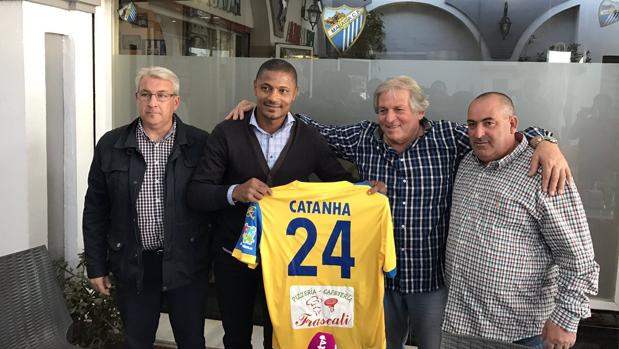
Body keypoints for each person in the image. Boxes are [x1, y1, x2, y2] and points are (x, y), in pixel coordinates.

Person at [227, 75, 571, 349]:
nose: (389, 119)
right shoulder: (364, 138)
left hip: (431, 281)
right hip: (378, 280)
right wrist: (264, 109)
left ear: (419, 112)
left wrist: (545, 142)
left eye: (398, 110)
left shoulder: (451, 138)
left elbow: (501, 135)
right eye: (382, 110)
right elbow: (315, 130)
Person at [186, 59, 382, 349]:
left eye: (282, 90)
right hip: (233, 254)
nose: (273, 97)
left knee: (280, 336)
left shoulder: (309, 138)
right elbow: (197, 193)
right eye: (266, 88)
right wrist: (234, 192)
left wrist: (365, 192)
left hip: (288, 260)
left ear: (294, 94)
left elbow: (338, 183)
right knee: (236, 336)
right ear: (255, 88)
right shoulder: (227, 132)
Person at [443, 92, 599, 348]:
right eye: (472, 124)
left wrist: (566, 318)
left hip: (517, 331)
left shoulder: (544, 172)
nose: (478, 132)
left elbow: (578, 257)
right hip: (460, 325)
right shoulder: (467, 164)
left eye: (489, 122)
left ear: (512, 124)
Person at [82, 66, 211, 349]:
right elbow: (95, 209)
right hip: (133, 263)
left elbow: (215, 201)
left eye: (162, 95)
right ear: (137, 98)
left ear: (175, 101)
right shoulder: (111, 144)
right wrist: (96, 266)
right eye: (146, 94)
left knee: (192, 341)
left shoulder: (200, 144)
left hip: (185, 263)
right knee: (137, 341)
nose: (153, 103)